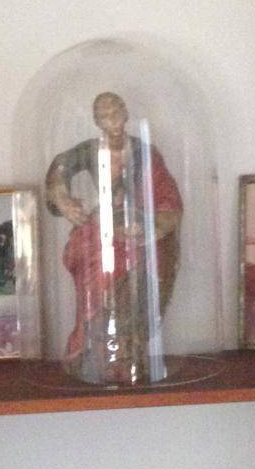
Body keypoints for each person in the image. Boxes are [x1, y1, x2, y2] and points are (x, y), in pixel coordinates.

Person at [45, 91, 183, 385]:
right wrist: (62, 198)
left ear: (126, 113)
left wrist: (152, 226)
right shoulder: (90, 150)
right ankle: (94, 353)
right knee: (89, 256)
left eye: (117, 111)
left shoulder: (145, 152)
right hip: (103, 229)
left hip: (142, 232)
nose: (114, 120)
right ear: (97, 122)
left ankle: (131, 354)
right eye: (105, 116)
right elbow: (61, 166)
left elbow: (167, 195)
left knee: (141, 281)